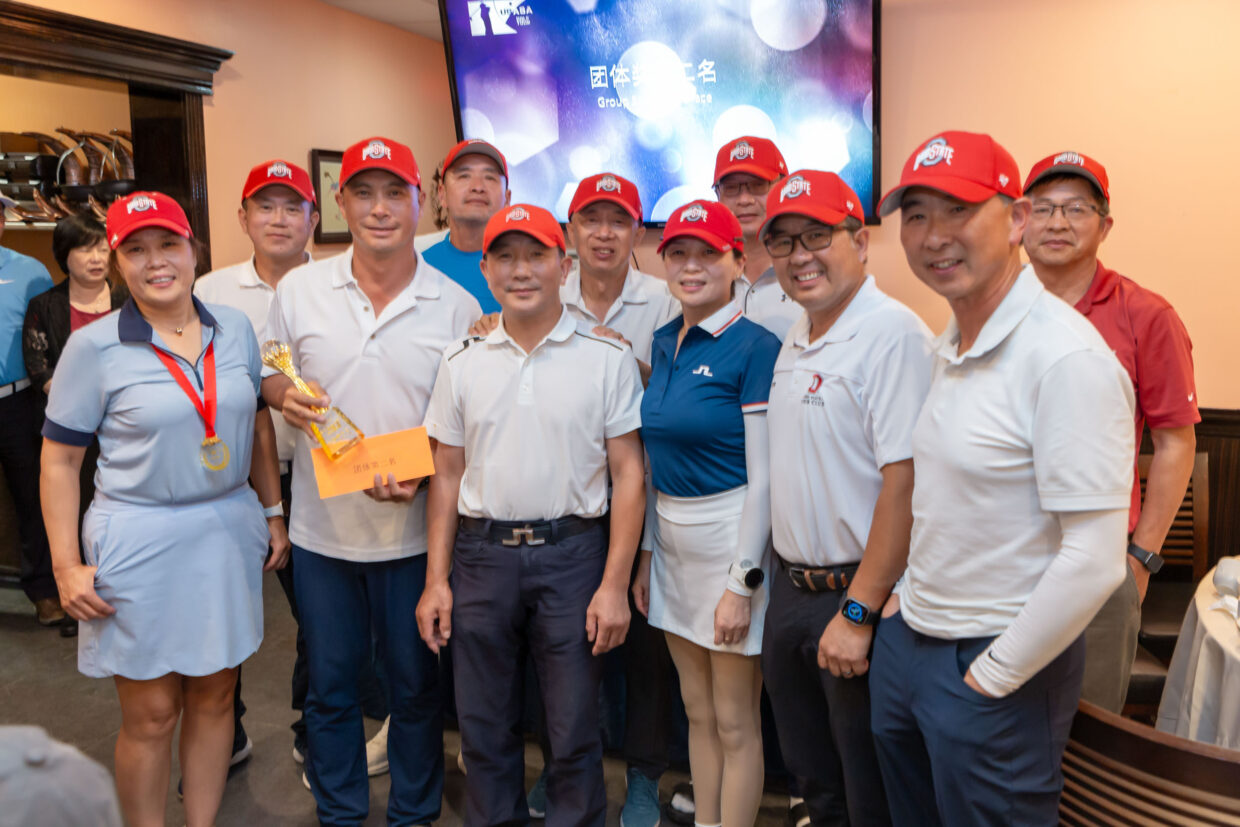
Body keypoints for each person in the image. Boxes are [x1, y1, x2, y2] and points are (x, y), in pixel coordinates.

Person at [869, 131, 1135, 826]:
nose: (934, 236)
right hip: (912, 643)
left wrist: (992, 675)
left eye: (958, 210)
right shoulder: (950, 341)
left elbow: (1095, 557)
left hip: (994, 664)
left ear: (1017, 219)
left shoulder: (1066, 357)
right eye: (916, 215)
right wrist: (902, 605)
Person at [40, 190, 289, 827]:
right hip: (137, 534)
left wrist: (271, 511)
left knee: (216, 693)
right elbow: (60, 461)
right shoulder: (93, 348)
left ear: (193, 249)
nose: (156, 262)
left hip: (225, 527)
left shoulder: (233, 328)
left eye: (168, 244)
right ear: (117, 262)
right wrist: (65, 566)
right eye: (137, 249)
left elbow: (257, 420)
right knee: (151, 714)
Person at [262, 136, 480, 826]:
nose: (379, 209)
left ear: (421, 201)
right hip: (322, 533)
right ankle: (340, 812)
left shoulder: (454, 304)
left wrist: (423, 470)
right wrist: (283, 397)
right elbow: (271, 370)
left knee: (415, 687)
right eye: (363, 193)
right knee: (330, 687)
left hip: (415, 537)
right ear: (341, 201)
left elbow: (465, 422)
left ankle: (413, 813)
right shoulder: (300, 290)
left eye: (394, 193)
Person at [418, 203, 646, 827]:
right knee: (483, 728)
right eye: (506, 257)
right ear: (485, 270)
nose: (521, 271)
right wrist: (436, 580)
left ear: (563, 266)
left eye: (536, 256)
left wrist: (614, 585)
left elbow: (629, 474)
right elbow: (446, 474)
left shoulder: (606, 357)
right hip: (481, 557)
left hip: (573, 556)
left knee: (573, 729)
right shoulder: (461, 359)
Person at [760, 170, 932, 825]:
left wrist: (859, 612)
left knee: (870, 790)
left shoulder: (893, 334)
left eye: (816, 236)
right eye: (783, 242)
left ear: (859, 241)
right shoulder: (797, 334)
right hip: (793, 593)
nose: (800, 256)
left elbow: (906, 482)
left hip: (857, 595)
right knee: (814, 781)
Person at [1021, 151, 1200, 712]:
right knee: (992, 725)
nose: (1057, 222)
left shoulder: (1147, 315)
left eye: (1076, 208)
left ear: (1105, 225)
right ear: (1019, 221)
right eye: (1043, 208)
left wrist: (1141, 560)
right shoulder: (991, 309)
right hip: (998, 555)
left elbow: (1175, 444)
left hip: (1097, 561)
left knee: (1086, 729)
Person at [636, 199, 780, 827]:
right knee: (697, 714)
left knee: (734, 721)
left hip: (730, 544)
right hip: (672, 543)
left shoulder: (755, 346)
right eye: (678, 253)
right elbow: (651, 463)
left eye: (707, 253)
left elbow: (765, 479)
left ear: (737, 262)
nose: (691, 266)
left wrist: (741, 584)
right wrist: (647, 556)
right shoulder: (663, 341)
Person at [193, 158, 319, 771]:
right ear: (242, 218)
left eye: (293, 207)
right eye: (265, 207)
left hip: (320, 476)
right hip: (232, 480)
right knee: (223, 609)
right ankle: (229, 726)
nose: (279, 219)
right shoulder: (208, 291)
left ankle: (310, 727)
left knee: (316, 617)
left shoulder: (335, 287)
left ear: (313, 219)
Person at [564, 172, 679, 825]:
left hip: (650, 494)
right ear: (571, 230)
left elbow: (684, 395)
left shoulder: (665, 300)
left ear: (638, 232)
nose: (604, 234)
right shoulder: (547, 293)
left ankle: (643, 776)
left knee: (646, 650)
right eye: (591, 219)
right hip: (571, 500)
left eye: (618, 221)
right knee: (565, 645)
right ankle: (568, 766)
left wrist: (623, 362)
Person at [22, 214, 125, 638]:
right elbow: (38, 367)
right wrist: (83, 407)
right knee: (74, 511)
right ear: (65, 256)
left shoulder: (128, 298)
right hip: (70, 431)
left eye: (103, 248)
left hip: (124, 428)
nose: (97, 258)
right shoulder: (44, 306)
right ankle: (76, 597)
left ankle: (118, 590)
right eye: (85, 249)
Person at [0, 194, 59, 627]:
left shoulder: (30, 272)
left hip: (18, 403)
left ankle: (44, 591)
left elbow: (48, 339)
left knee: (33, 499)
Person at [713, 136, 799, 340]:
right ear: (717, 195)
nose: (744, 200)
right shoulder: (702, 274)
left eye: (759, 184)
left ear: (783, 189)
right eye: (731, 187)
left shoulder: (808, 268)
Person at [418, 138, 511, 313]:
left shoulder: (525, 270)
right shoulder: (419, 269)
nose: (477, 187)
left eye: (490, 177)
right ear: (442, 194)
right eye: (464, 176)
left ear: (507, 199)